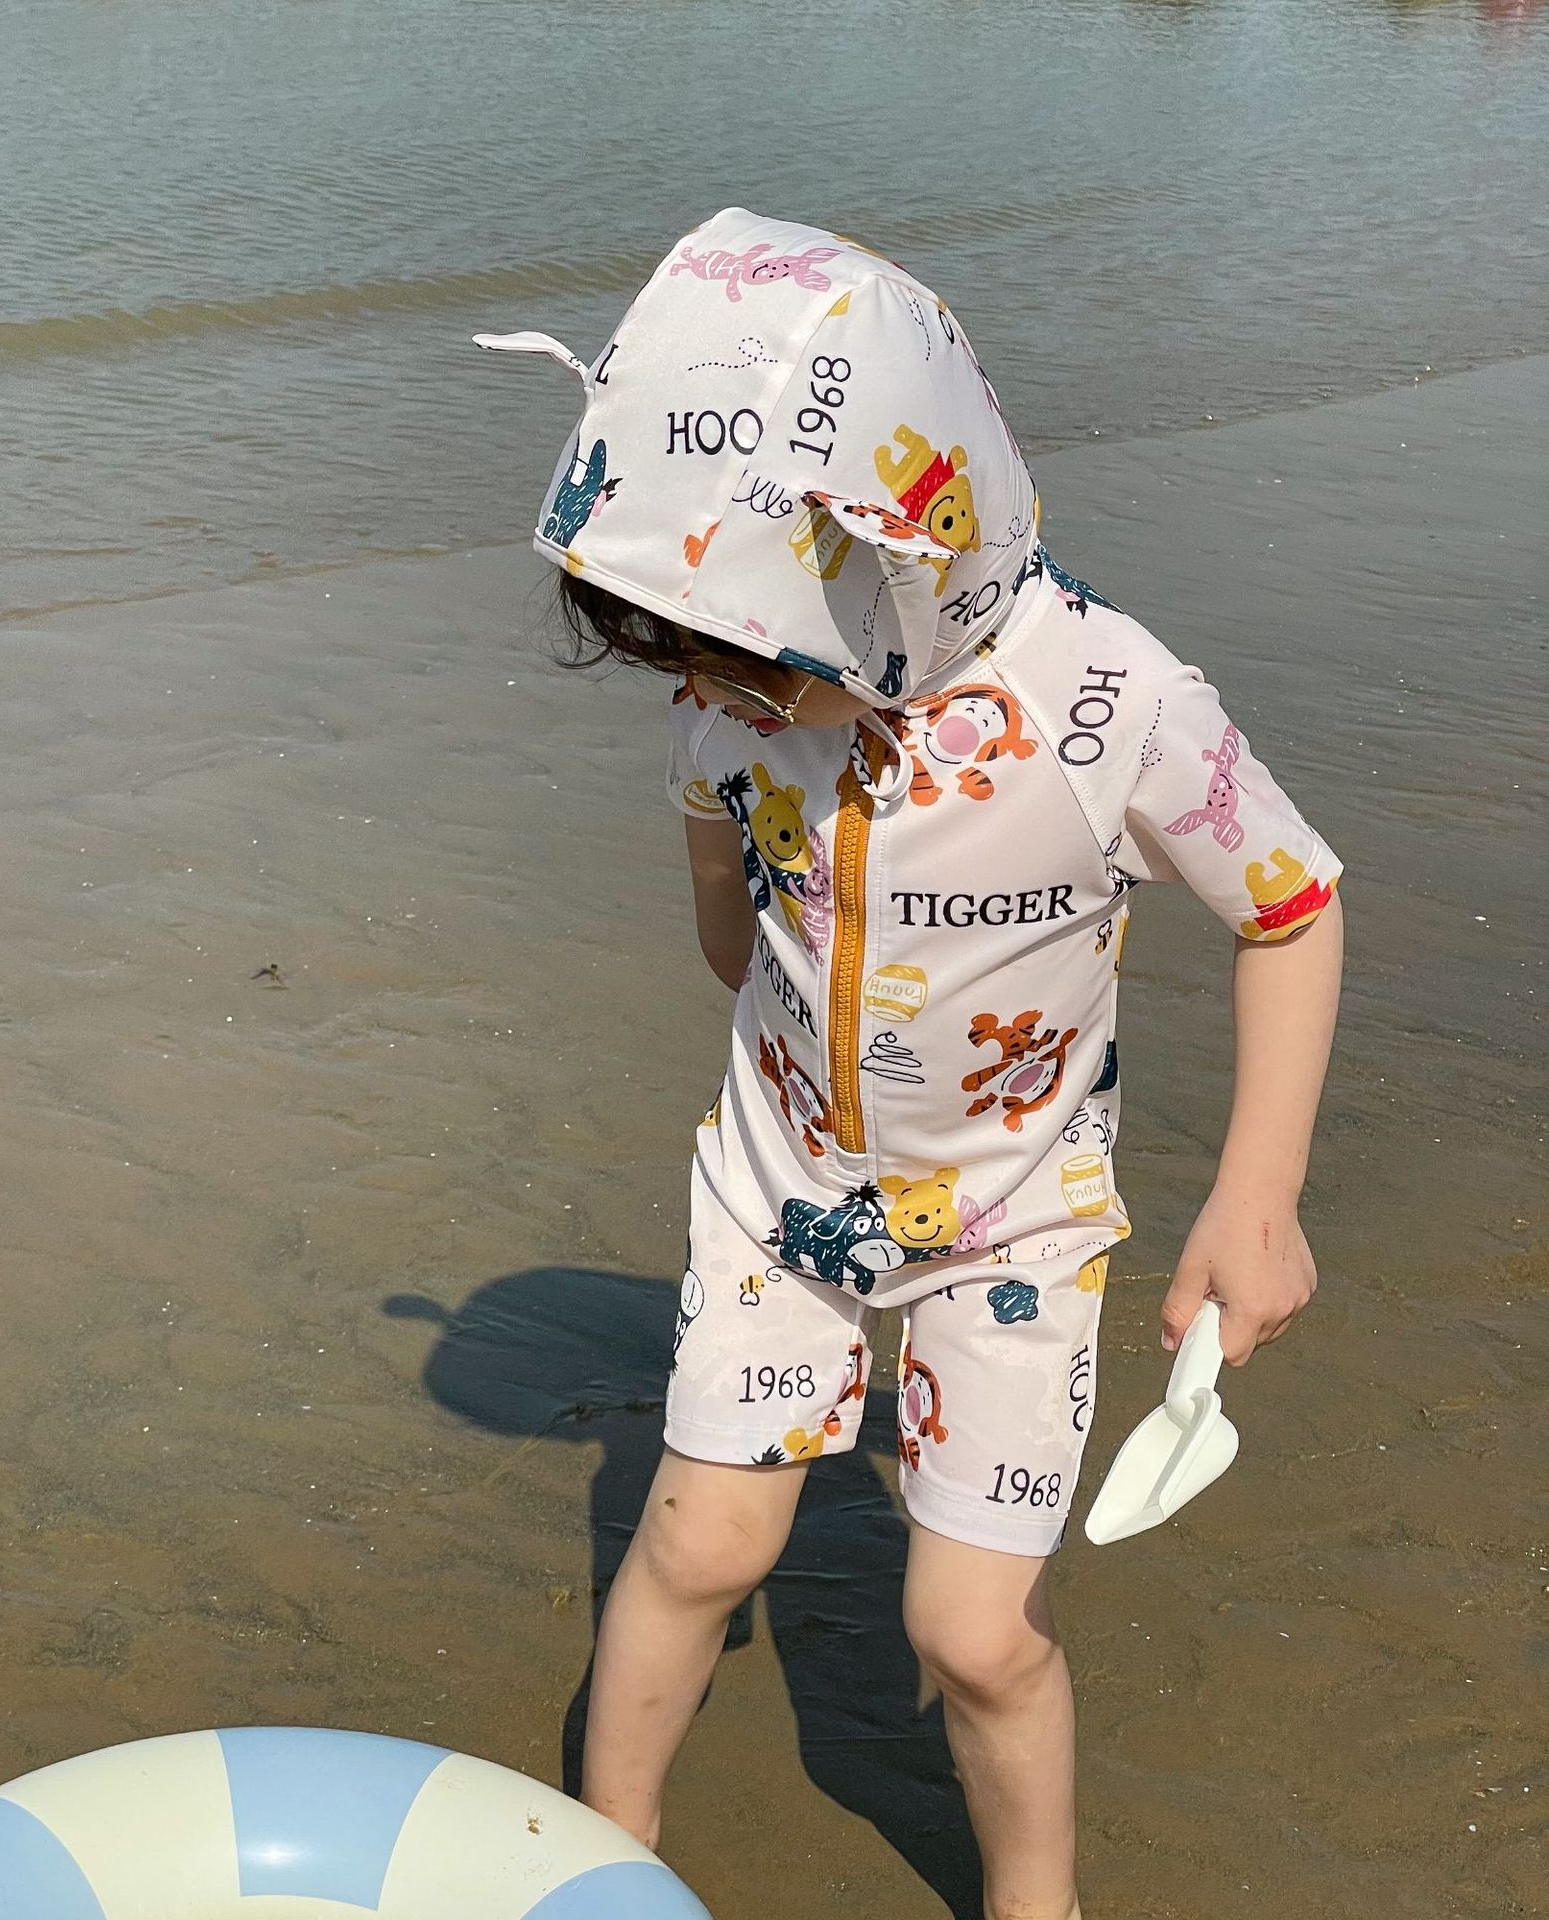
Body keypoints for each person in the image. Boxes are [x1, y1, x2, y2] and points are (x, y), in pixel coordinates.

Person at [474, 207, 1344, 1920]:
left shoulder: (1110, 701)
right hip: (781, 1183)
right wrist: (751, 861)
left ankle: (1038, 1903)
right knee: (700, 1543)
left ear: (904, 565)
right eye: (691, 662)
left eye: (755, 665)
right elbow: (732, 932)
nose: (723, 696)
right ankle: (604, 1857)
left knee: (974, 1635)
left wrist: (1259, 1197)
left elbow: (1294, 906)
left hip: (1016, 1219)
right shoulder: (727, 695)